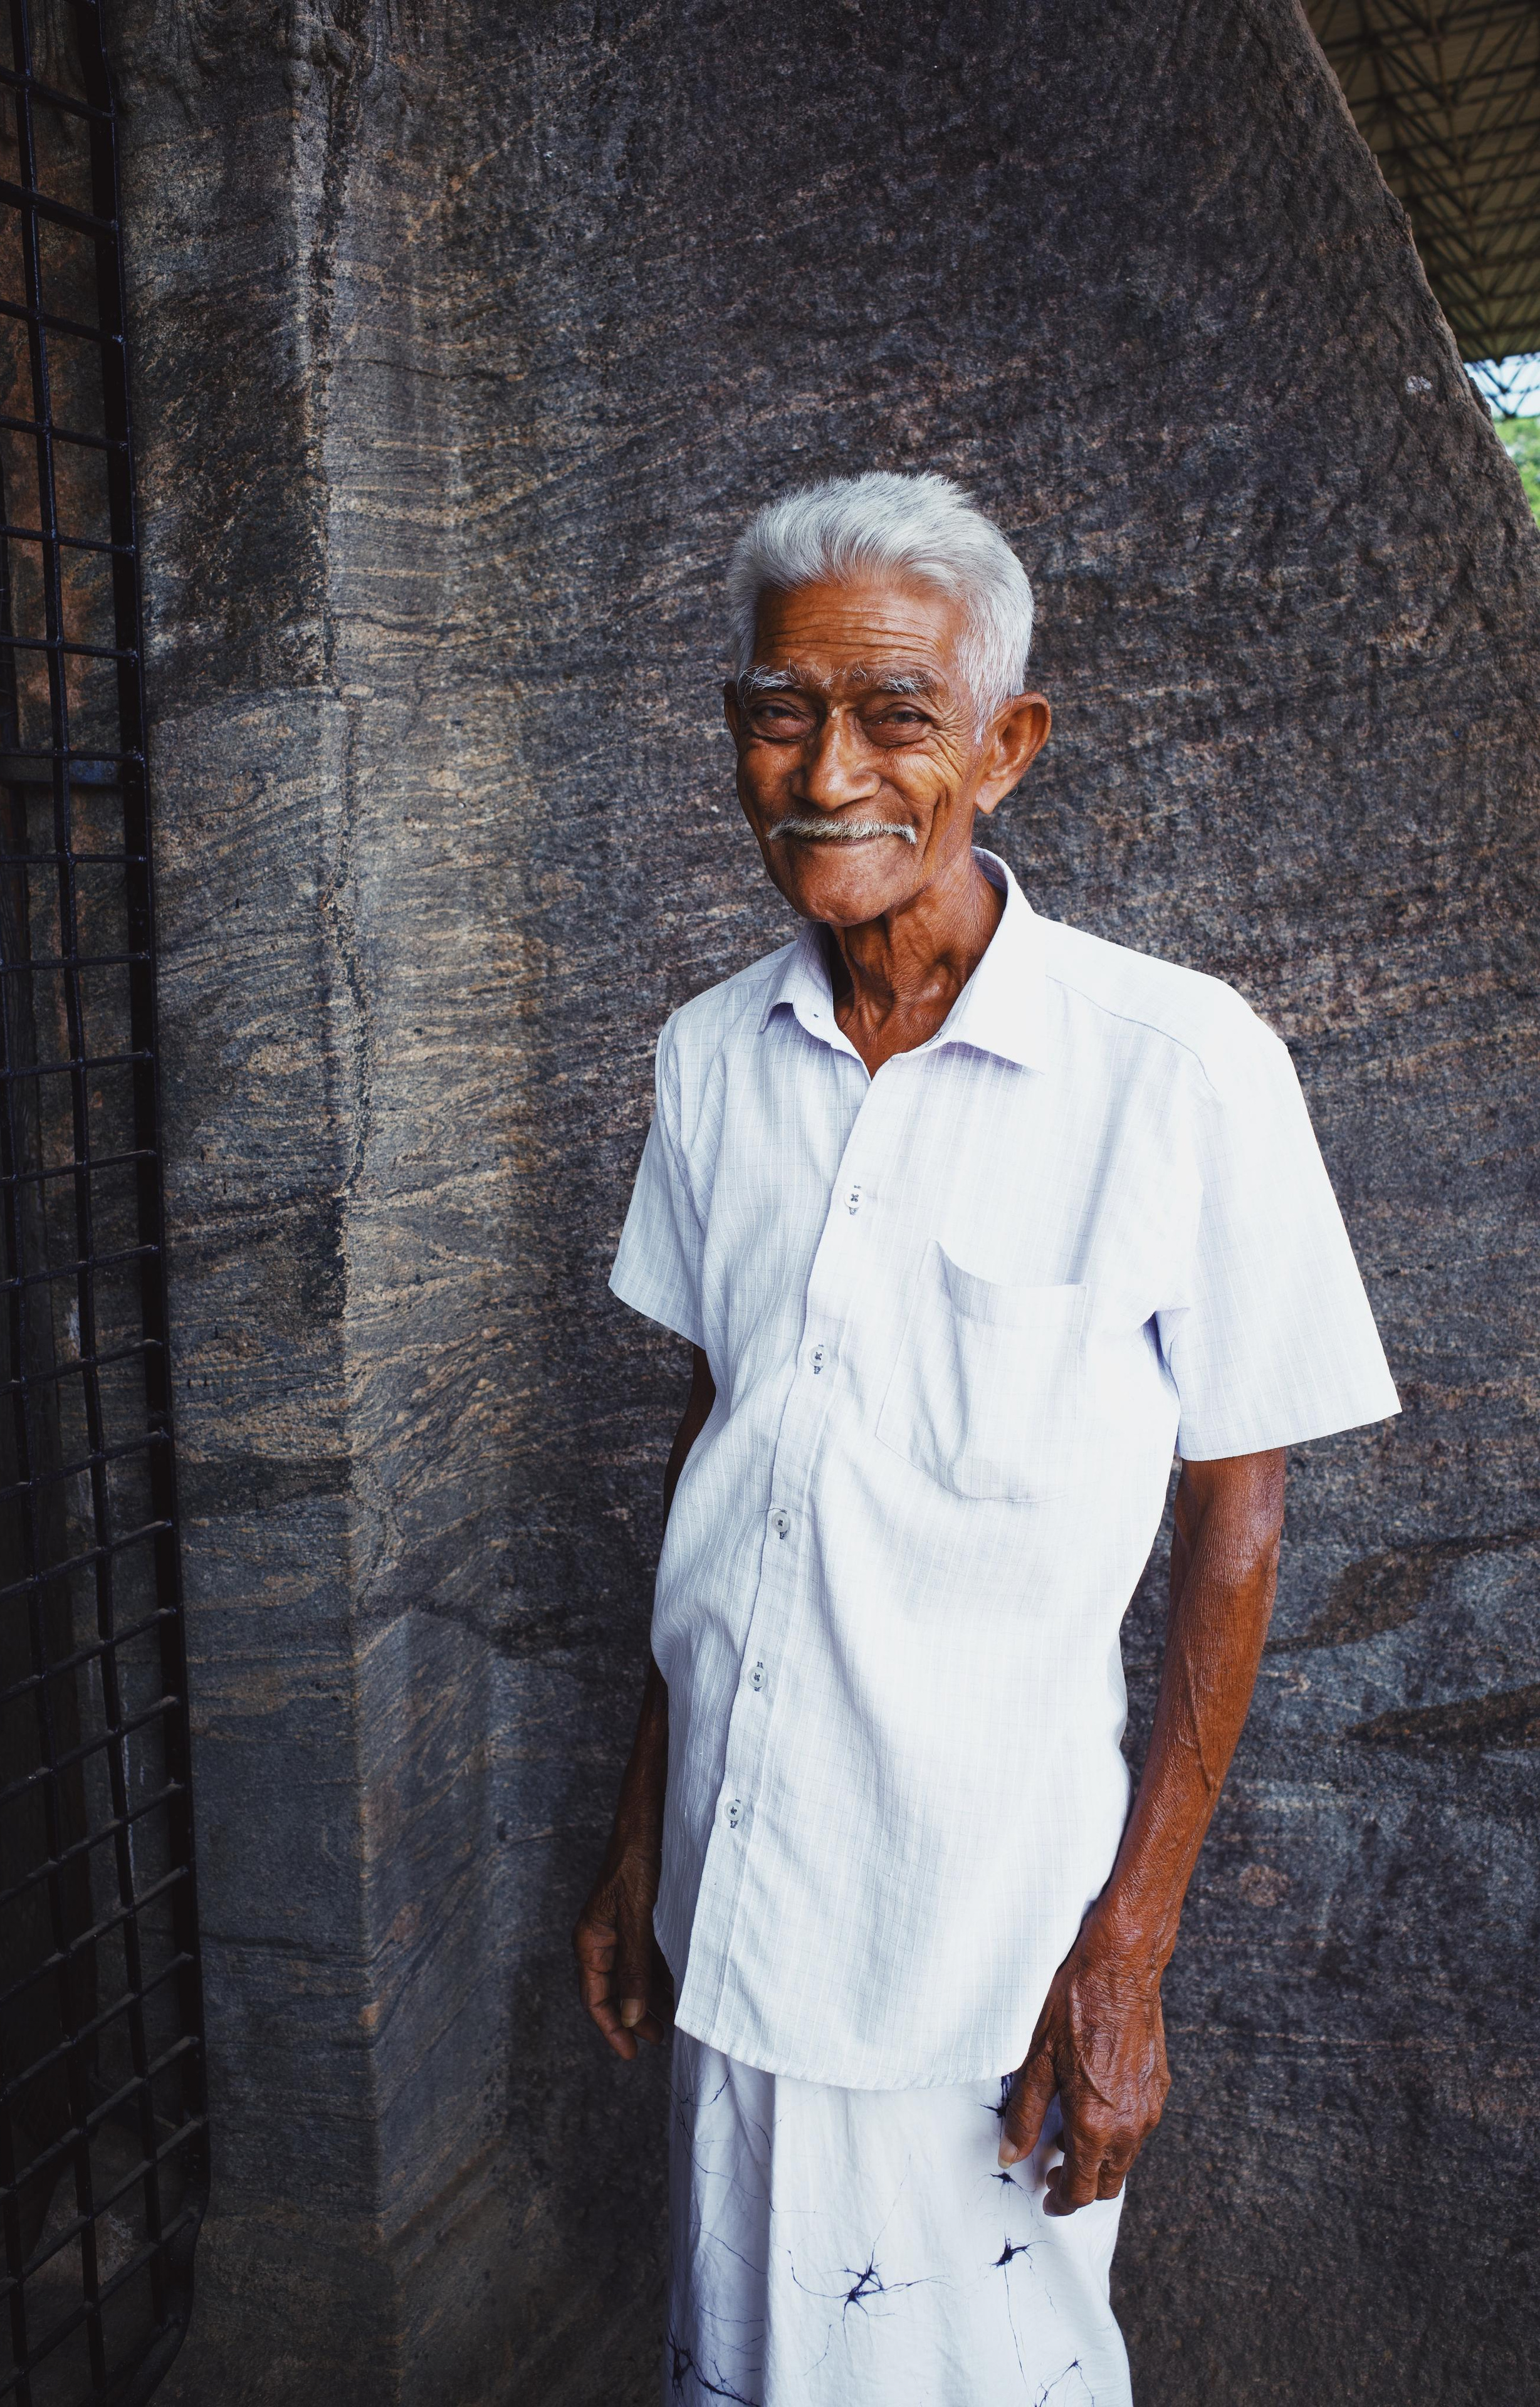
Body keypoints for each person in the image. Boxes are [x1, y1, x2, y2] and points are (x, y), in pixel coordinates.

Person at [574, 471, 1398, 2406]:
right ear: (733, 736)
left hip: (972, 1936)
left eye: (896, 714)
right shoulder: (711, 1058)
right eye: (783, 711)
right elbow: (733, 1460)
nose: (829, 767)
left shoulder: (1178, 1066)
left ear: (1005, 748)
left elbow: (1238, 1513)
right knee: (743, 2360)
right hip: (734, 1882)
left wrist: (1129, 1956)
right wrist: (636, 1847)